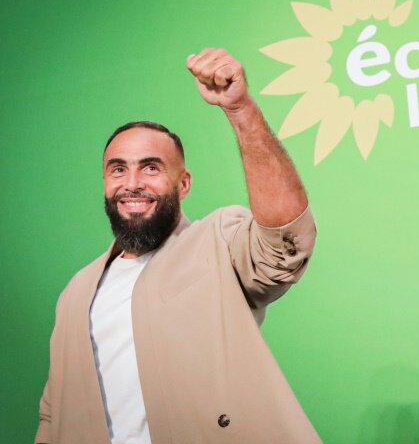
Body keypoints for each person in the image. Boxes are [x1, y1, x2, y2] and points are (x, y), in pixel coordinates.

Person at [36, 49, 322, 443]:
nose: (132, 183)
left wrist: (240, 110)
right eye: (118, 169)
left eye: (151, 167)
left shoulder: (218, 240)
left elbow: (284, 244)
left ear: (182, 184)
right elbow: (53, 413)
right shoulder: (76, 291)